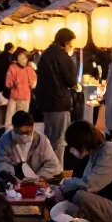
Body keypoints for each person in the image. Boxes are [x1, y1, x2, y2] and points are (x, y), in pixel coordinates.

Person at [35, 27, 78, 165]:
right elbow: (71, 81)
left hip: (46, 104)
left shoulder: (45, 55)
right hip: (60, 103)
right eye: (70, 43)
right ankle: (57, 171)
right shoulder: (64, 57)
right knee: (60, 140)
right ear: (65, 42)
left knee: (48, 139)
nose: (70, 47)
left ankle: (47, 168)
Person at [0, 111, 62, 184]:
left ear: (33, 127)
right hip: (13, 184)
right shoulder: (4, 141)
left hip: (39, 183)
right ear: (14, 127)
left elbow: (53, 164)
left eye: (28, 132)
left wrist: (38, 178)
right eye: (21, 133)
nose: (24, 136)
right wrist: (11, 176)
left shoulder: (42, 141)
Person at [4, 48, 37, 125]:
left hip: (15, 96)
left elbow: (8, 83)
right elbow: (33, 84)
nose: (24, 60)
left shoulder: (12, 67)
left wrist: (15, 83)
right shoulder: (29, 69)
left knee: (10, 120)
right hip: (24, 97)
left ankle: (9, 134)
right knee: (22, 120)